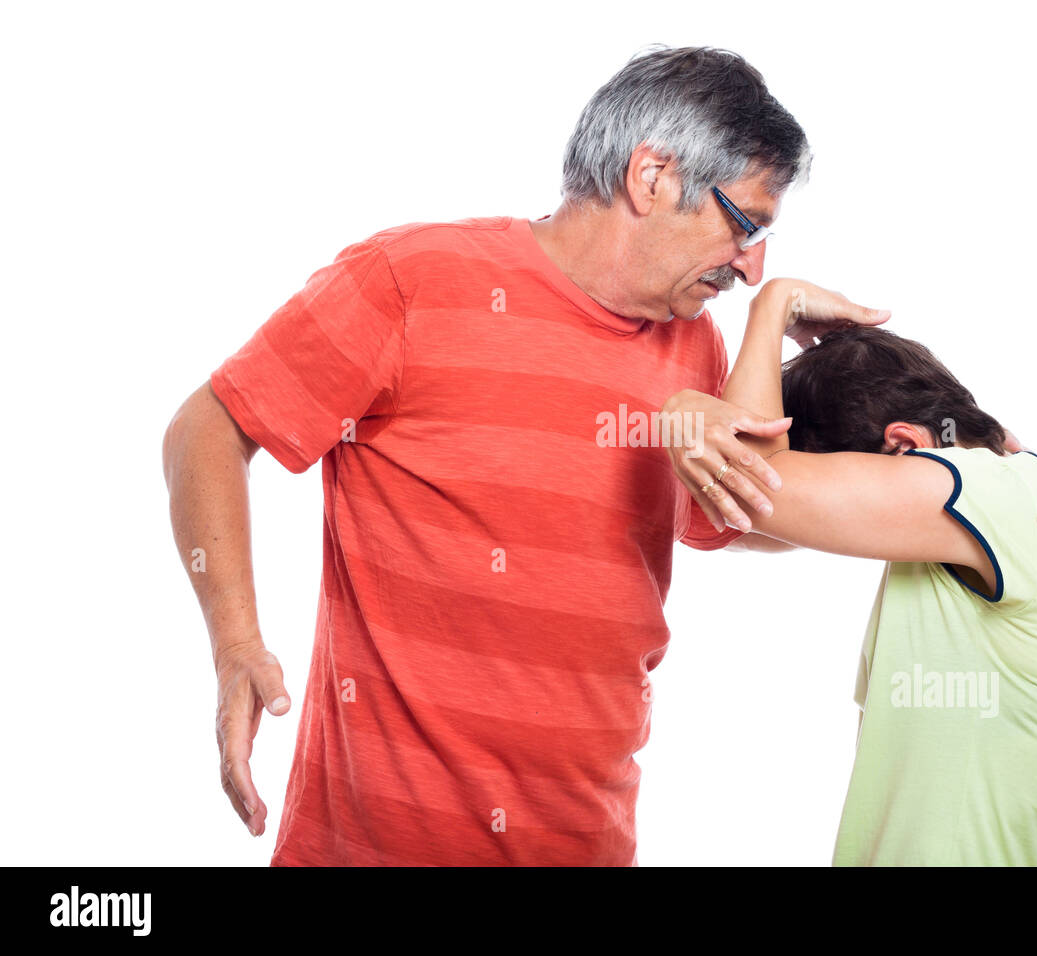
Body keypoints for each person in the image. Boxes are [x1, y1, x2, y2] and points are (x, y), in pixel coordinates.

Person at [161, 46, 831, 865]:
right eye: (745, 223)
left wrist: (812, 354)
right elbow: (209, 428)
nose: (752, 260)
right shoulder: (410, 281)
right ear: (650, 177)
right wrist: (235, 645)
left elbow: (749, 509)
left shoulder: (693, 345)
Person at [662, 279, 1037, 865]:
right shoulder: (1036, 500)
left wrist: (772, 307)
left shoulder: (989, 495)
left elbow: (759, 490)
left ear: (903, 446)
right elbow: (740, 524)